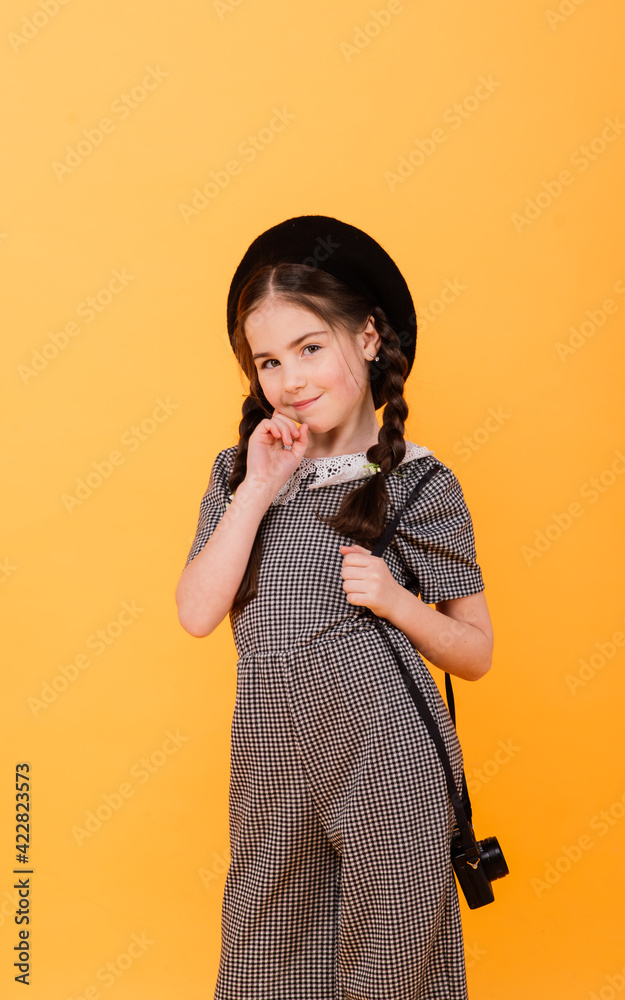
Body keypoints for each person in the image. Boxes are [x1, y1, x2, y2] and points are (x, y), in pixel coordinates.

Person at [175, 215, 494, 1000]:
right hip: (271, 758)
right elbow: (195, 611)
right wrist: (257, 490)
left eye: (311, 347)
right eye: (269, 362)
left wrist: (396, 602)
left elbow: (476, 651)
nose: (290, 379)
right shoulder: (240, 474)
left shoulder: (419, 481)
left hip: (388, 757)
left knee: (390, 965)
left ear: (370, 337)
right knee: (264, 957)